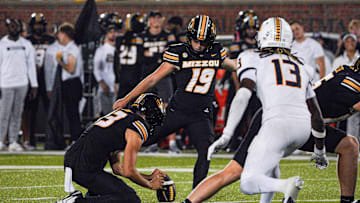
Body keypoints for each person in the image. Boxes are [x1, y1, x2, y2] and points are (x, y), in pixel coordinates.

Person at [186, 40, 360, 203]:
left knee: (348, 145)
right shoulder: (352, 82)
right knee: (235, 172)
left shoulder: (346, 75)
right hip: (281, 119)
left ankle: (346, 200)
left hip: (300, 123)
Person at [113, 15, 238, 188]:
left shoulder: (216, 51)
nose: (199, 45)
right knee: (144, 137)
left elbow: (234, 65)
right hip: (177, 110)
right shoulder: (179, 52)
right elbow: (152, 79)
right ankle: (108, 152)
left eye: (204, 42)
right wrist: (127, 98)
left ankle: (195, 197)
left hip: (201, 115)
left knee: (205, 151)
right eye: (196, 41)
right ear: (189, 37)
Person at [57, 93, 167, 203]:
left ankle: (85, 198)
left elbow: (118, 168)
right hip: (85, 167)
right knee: (130, 199)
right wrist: (150, 185)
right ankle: (75, 202)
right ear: (152, 114)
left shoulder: (122, 116)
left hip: (74, 160)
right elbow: (129, 171)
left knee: (108, 193)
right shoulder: (137, 127)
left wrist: (148, 177)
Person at [140, 10, 178, 153]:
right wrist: (156, 56)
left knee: (168, 108)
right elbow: (142, 57)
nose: (156, 20)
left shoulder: (168, 35)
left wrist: (153, 56)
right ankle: (151, 141)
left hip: (164, 76)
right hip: (147, 76)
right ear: (149, 20)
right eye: (153, 18)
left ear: (162, 19)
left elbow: (171, 56)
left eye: (158, 17)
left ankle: (172, 142)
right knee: (147, 108)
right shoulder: (142, 36)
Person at [225, 10, 261, 152]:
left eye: (253, 28)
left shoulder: (261, 44)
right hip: (240, 83)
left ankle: (255, 140)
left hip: (257, 84)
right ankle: (233, 140)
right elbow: (234, 66)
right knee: (236, 111)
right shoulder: (236, 45)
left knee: (256, 112)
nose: (251, 31)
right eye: (249, 28)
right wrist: (239, 87)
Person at [0, 18, 38, 151]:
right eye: (11, 26)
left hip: (22, 83)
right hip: (5, 83)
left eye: (16, 26)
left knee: (17, 113)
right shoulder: (2, 44)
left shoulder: (26, 44)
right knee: (4, 113)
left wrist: (34, 85)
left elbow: (31, 66)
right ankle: (0, 140)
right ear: (7, 28)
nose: (14, 28)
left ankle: (13, 141)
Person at [45, 22, 83, 150]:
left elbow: (71, 69)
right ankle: (74, 139)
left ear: (66, 34)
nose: (58, 36)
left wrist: (60, 62)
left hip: (72, 83)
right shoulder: (69, 48)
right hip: (69, 84)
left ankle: (75, 139)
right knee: (70, 113)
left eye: (60, 33)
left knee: (73, 113)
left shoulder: (72, 49)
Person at [21, 13, 55, 150]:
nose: (38, 27)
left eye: (41, 25)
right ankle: (31, 140)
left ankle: (51, 139)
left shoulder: (51, 40)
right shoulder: (26, 41)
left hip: (47, 79)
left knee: (50, 110)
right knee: (30, 111)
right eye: (36, 25)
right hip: (31, 79)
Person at [94, 13, 122, 115]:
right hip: (105, 86)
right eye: (110, 32)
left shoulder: (118, 48)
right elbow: (96, 68)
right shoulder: (102, 49)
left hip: (116, 86)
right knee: (105, 115)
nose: (113, 34)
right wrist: (102, 82)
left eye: (115, 32)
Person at [114, 13, 146, 99]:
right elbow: (141, 60)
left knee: (121, 104)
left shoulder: (120, 39)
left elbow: (115, 61)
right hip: (135, 75)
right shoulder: (140, 39)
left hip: (123, 76)